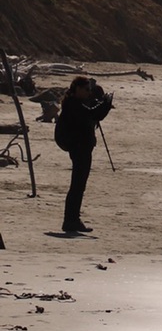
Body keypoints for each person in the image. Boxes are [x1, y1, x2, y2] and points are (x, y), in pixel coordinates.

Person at [52, 76, 113, 235]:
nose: (88, 93)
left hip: (81, 147)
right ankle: (70, 220)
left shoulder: (75, 103)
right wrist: (105, 104)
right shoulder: (73, 104)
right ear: (77, 89)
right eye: (86, 90)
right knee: (77, 185)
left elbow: (93, 113)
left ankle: (73, 219)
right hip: (79, 147)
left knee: (79, 185)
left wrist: (102, 104)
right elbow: (93, 115)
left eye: (89, 90)